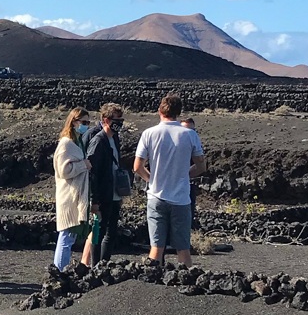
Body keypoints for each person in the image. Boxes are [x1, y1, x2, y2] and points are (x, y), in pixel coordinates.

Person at [135, 94, 204, 269]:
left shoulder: (149, 133)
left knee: (156, 248)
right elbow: (201, 166)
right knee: (183, 249)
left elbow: (137, 167)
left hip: (156, 197)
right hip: (181, 199)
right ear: (179, 113)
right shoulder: (189, 135)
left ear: (160, 111)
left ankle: (153, 284)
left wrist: (152, 179)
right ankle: (187, 282)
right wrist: (183, 176)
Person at [83, 102, 126, 265]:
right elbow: (93, 172)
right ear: (106, 120)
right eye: (117, 120)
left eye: (121, 120)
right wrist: (95, 201)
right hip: (103, 193)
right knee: (99, 231)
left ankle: (104, 264)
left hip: (113, 192)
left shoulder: (114, 138)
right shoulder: (99, 141)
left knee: (111, 232)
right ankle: (95, 266)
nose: (119, 124)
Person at [51, 107, 92, 272]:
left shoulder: (77, 141)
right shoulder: (67, 143)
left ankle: (61, 269)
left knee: (70, 235)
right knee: (66, 236)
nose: (86, 126)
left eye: (88, 123)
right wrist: (84, 165)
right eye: (84, 122)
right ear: (74, 122)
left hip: (76, 195)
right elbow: (63, 171)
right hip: (69, 196)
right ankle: (59, 270)